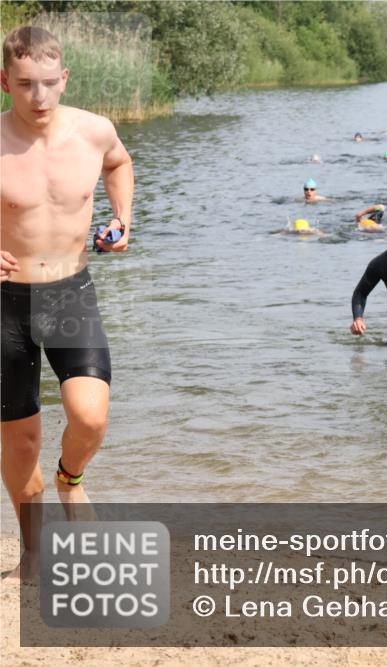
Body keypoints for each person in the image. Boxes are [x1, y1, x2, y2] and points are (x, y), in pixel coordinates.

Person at [1, 26, 134, 580]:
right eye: (24, 84)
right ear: (4, 81)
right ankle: (34, 550)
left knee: (90, 416)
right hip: (4, 304)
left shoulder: (94, 131)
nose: (39, 97)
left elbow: (119, 164)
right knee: (20, 442)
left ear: (65, 79)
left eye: (48, 83)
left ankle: (70, 479)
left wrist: (123, 218)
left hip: (69, 291)